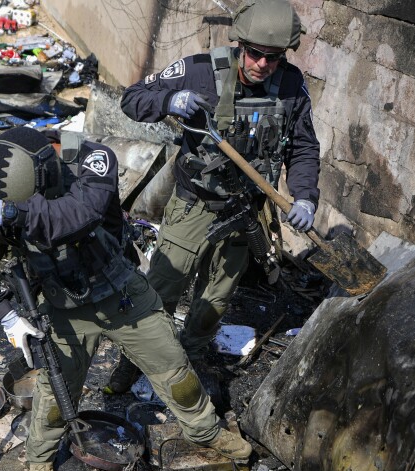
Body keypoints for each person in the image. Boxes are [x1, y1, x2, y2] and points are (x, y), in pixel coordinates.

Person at [0, 127, 252, 471]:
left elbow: (79, 213)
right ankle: (40, 457)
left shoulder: (90, 160)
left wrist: (10, 212)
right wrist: (7, 316)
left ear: (46, 169)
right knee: (56, 391)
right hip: (63, 306)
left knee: (173, 368)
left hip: (120, 291)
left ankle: (205, 430)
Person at [109, 0, 320, 393]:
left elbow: (304, 148)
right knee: (160, 291)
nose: (262, 65)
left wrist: (305, 197)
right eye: (255, 54)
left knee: (214, 302)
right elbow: (132, 98)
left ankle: (186, 363)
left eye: (273, 58)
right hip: (194, 205)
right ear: (241, 45)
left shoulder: (291, 87)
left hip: (245, 213)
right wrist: (168, 101)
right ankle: (131, 364)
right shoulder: (200, 71)